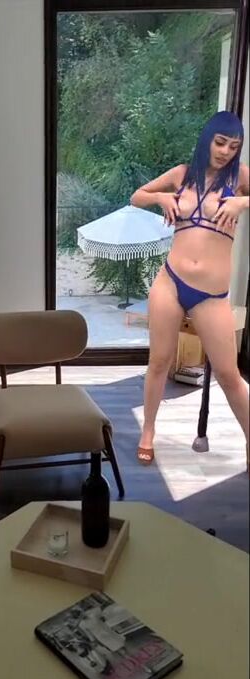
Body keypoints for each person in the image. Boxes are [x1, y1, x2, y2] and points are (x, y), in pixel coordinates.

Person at [130, 111, 249, 466]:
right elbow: (137, 196)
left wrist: (243, 201)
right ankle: (148, 431)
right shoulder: (182, 174)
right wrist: (161, 198)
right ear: (207, 139)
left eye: (234, 146)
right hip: (170, 282)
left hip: (211, 296)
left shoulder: (240, 178)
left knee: (228, 374)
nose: (225, 151)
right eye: (220, 142)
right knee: (159, 362)